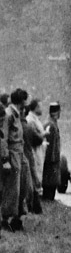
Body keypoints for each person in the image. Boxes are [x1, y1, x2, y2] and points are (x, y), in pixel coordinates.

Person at [2, 89, 29, 232]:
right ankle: (7, 218)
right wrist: (5, 159)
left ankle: (18, 215)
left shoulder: (18, 114)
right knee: (13, 188)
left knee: (25, 185)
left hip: (20, 151)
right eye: (25, 100)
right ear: (21, 101)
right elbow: (3, 138)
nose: (27, 102)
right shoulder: (9, 114)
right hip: (12, 152)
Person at [23, 99, 46, 214]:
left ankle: (34, 204)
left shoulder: (34, 120)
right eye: (40, 106)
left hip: (37, 151)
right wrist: (43, 135)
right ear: (35, 107)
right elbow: (35, 138)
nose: (42, 109)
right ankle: (33, 205)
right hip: (33, 151)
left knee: (36, 175)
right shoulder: (31, 121)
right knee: (34, 176)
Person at [41, 103, 62, 200]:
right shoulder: (51, 125)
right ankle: (48, 197)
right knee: (50, 180)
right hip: (51, 158)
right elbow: (50, 144)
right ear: (56, 112)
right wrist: (52, 158)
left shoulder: (51, 123)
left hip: (51, 157)